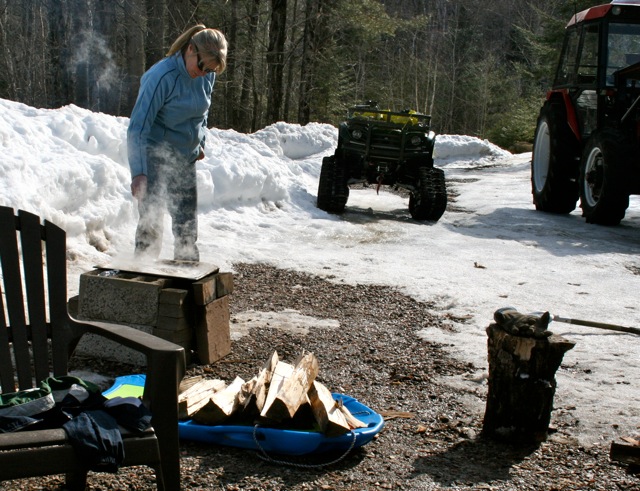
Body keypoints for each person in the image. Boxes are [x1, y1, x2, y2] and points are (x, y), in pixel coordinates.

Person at [127, 25, 227, 262]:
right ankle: (141, 280)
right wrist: (139, 172)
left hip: (184, 157)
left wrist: (199, 141)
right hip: (154, 155)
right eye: (203, 66)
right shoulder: (161, 77)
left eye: (211, 70)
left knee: (186, 226)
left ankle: (188, 284)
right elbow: (137, 128)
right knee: (150, 226)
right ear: (190, 50)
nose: (205, 73)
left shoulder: (207, 73)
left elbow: (202, 113)